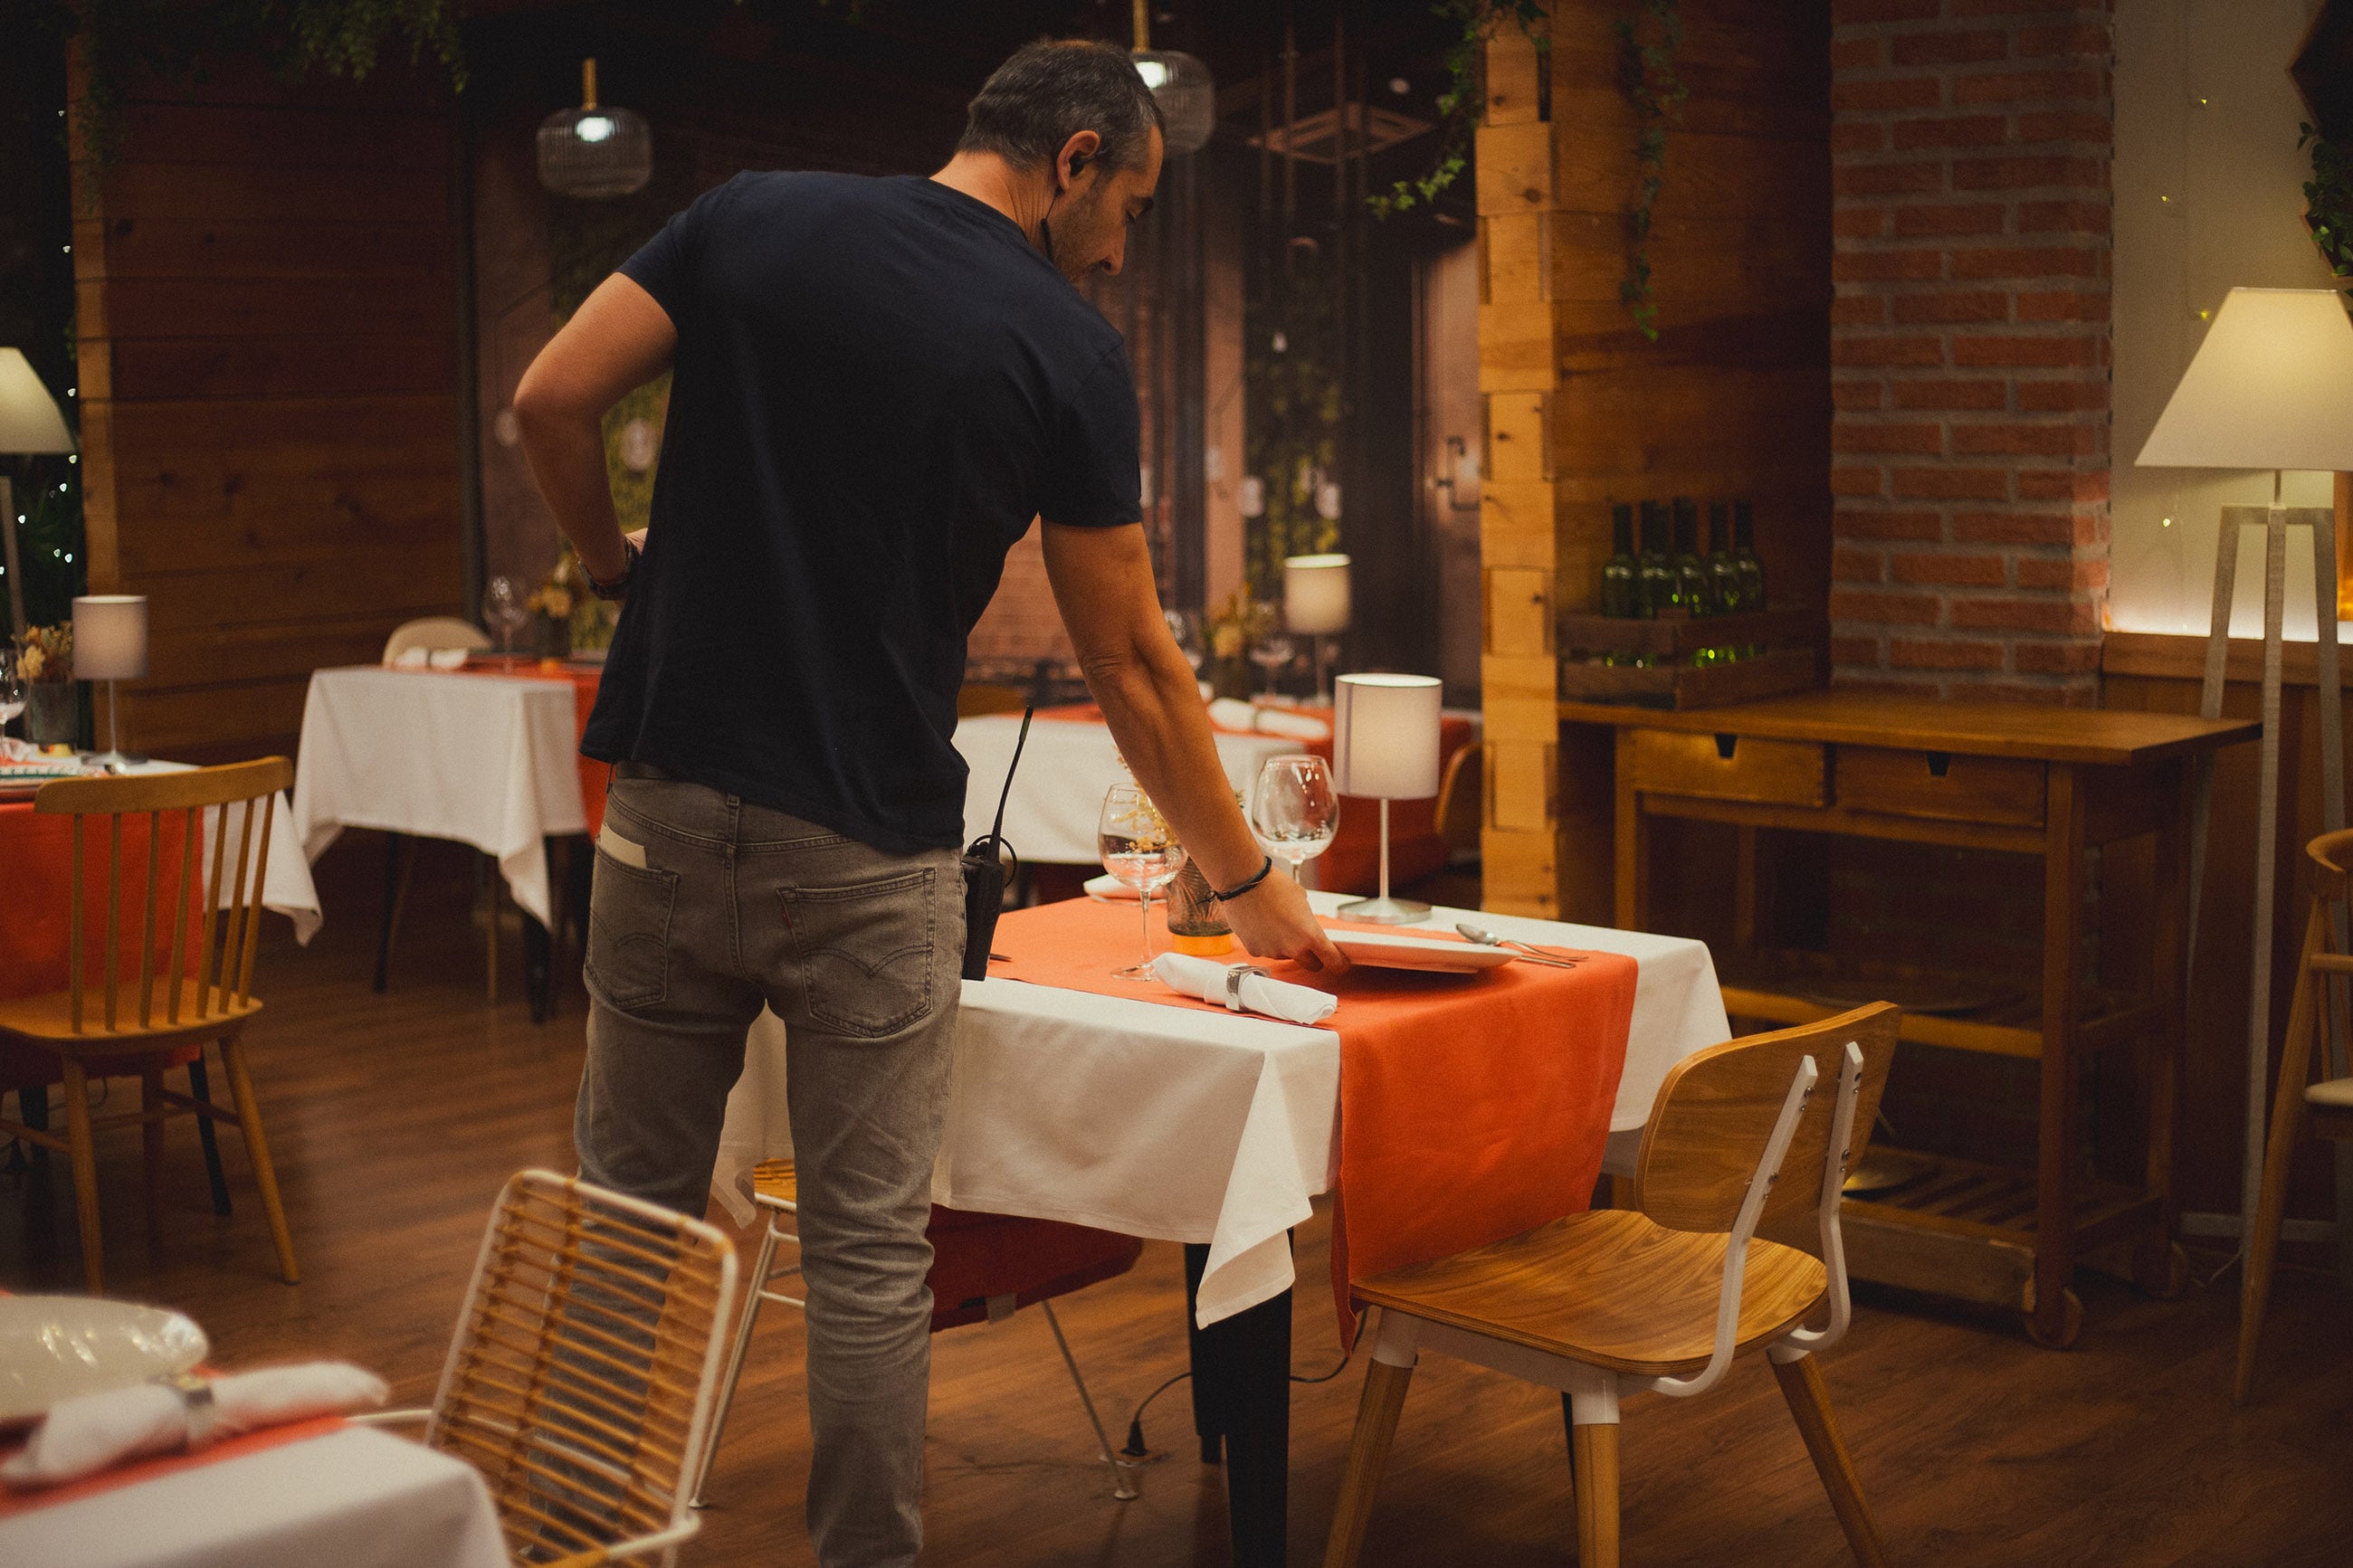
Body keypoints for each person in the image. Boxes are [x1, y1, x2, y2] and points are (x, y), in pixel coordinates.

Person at [511, 36, 1345, 1568]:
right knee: (869, 1260)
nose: (1120, 248)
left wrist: (611, 566)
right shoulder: (1064, 349)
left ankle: (577, 1542)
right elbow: (1137, 665)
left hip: (668, 807)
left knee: (626, 1219)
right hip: (868, 840)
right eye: (1133, 209)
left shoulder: (747, 217)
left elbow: (548, 402)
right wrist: (1249, 888)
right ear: (1076, 159)